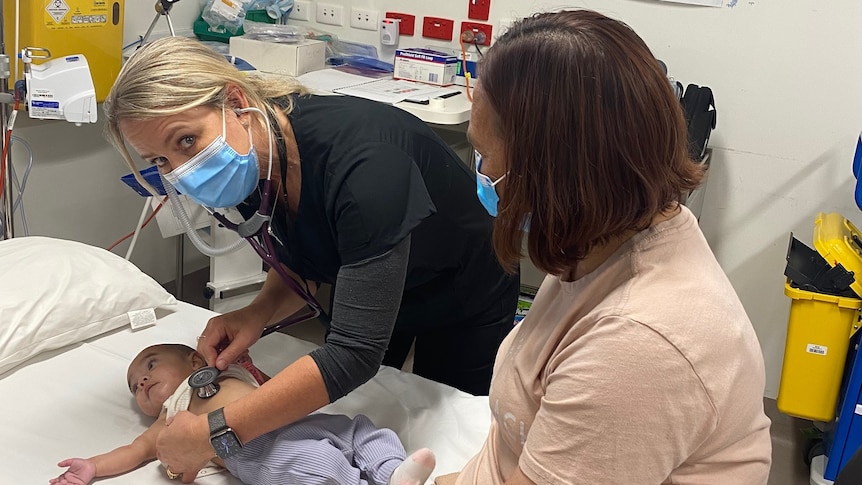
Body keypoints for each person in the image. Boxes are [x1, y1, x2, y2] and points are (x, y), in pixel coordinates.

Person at [103, 36, 519, 480]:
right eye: (161, 161)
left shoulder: (365, 166)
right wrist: (258, 311)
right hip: (363, 275)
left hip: (461, 283)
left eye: (186, 140)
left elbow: (353, 353)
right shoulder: (250, 160)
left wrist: (215, 432)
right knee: (373, 406)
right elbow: (302, 248)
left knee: (452, 424)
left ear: (236, 101)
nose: (182, 171)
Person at [436, 9, 773, 485]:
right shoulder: (605, 237)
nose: (483, 172)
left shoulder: (637, 347)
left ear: (553, 173)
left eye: (485, 154)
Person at [50, 344, 436, 485]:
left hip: (291, 419)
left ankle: (391, 473)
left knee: (363, 430)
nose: (144, 380)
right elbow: (134, 451)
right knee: (315, 465)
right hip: (261, 451)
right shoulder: (170, 421)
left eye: (151, 364)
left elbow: (274, 387)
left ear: (195, 360)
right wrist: (93, 467)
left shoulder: (226, 368)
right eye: (135, 386)